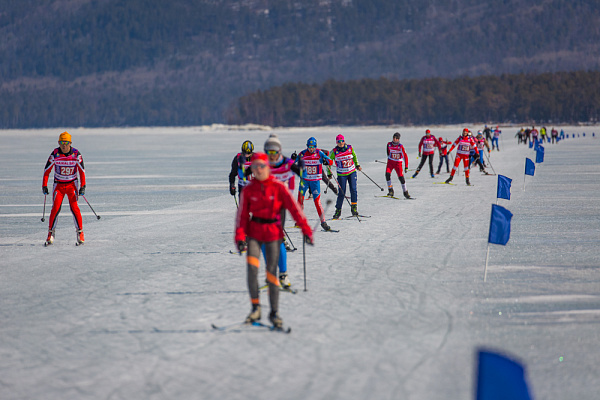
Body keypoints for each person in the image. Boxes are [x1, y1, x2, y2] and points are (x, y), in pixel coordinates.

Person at [234, 152, 313, 329]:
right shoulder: (249, 189)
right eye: (255, 167)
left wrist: (306, 230)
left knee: (271, 275)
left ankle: (274, 312)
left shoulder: (278, 187)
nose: (258, 170)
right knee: (252, 271)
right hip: (255, 234)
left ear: (268, 167)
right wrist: (240, 237)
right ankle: (255, 308)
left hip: (272, 233)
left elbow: (294, 209)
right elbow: (242, 217)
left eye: (262, 166)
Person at [262, 134, 302, 287]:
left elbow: (291, 186)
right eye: (268, 152)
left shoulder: (287, 165)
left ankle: (283, 274)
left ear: (279, 151)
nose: (271, 155)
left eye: (274, 152)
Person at [42, 131, 86, 246]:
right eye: (61, 142)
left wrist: (83, 186)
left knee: (74, 208)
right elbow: (47, 170)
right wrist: (44, 185)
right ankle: (50, 233)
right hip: (59, 186)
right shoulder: (55, 154)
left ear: (70, 143)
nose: (63, 145)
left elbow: (82, 171)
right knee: (55, 208)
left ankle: (80, 232)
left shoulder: (76, 154)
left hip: (72, 185)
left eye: (66, 142)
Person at [296, 137, 337, 231]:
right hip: (304, 181)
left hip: (315, 181)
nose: (311, 149)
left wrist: (327, 161)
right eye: (309, 147)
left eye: (313, 147)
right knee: (299, 200)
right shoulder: (302, 153)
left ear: (315, 146)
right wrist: (293, 158)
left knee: (317, 202)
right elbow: (292, 163)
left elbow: (330, 161)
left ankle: (323, 222)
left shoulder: (319, 153)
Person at [330, 134, 362, 218]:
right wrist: (329, 173)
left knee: (353, 190)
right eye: (339, 142)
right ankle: (338, 211)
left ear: (344, 141)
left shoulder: (350, 148)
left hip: (352, 172)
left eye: (342, 141)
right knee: (341, 193)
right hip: (341, 175)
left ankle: (354, 209)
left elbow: (354, 156)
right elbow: (328, 162)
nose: (341, 143)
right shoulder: (334, 151)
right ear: (336, 142)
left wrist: (357, 165)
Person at [384, 132, 411, 198]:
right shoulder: (389, 144)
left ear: (398, 139)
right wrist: (390, 158)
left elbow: (405, 156)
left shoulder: (400, 146)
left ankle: (405, 192)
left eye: (396, 138)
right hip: (390, 162)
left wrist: (406, 166)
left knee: (401, 178)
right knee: (387, 174)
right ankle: (390, 190)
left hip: (398, 164)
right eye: (393, 137)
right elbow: (388, 152)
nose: (394, 139)